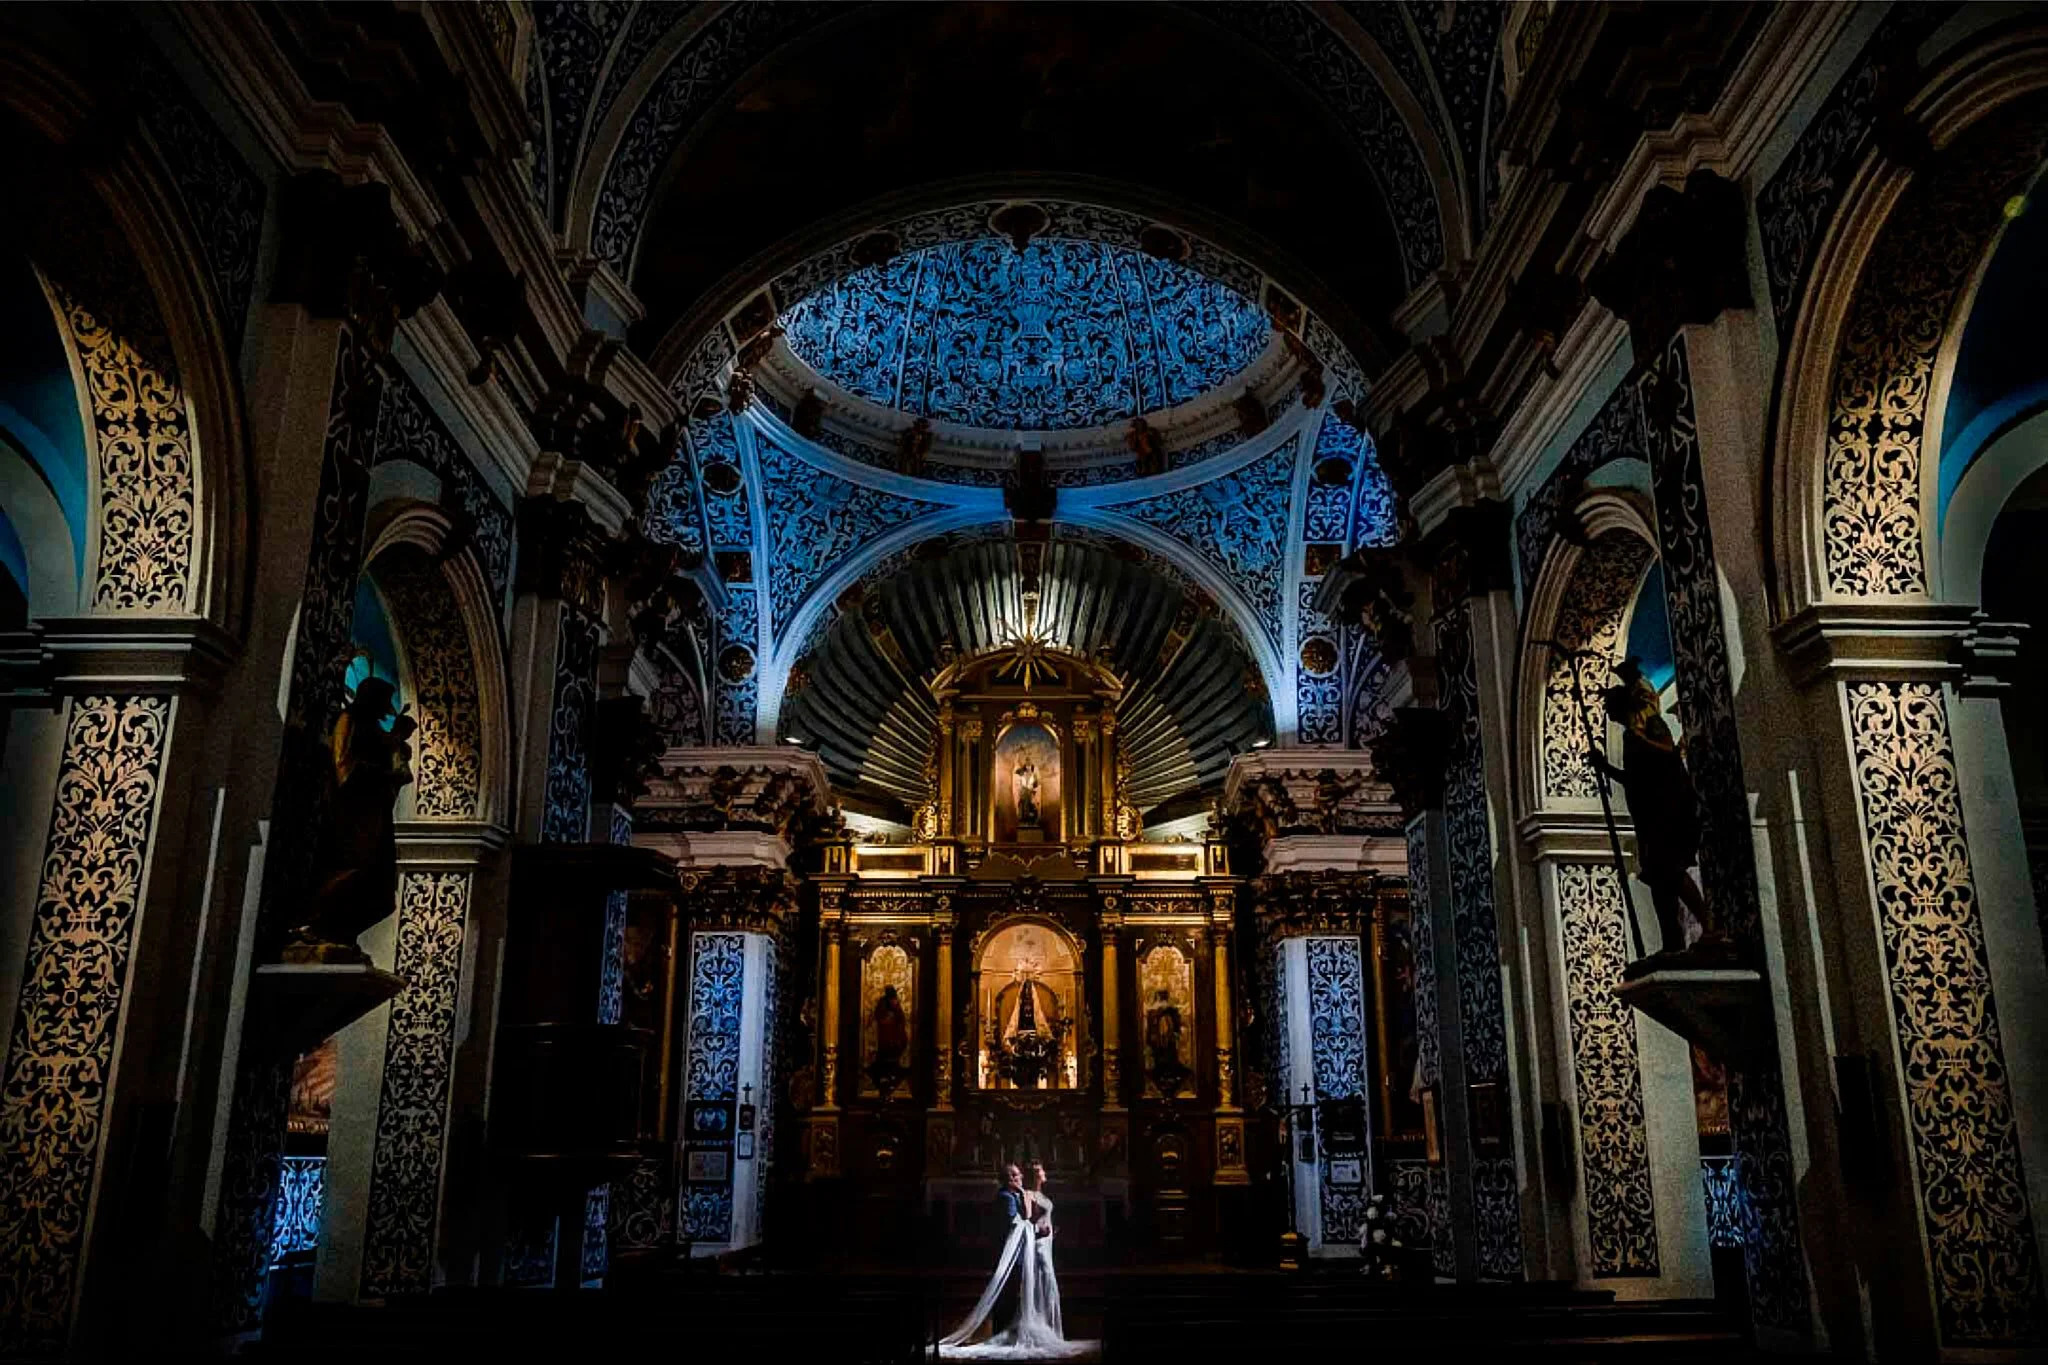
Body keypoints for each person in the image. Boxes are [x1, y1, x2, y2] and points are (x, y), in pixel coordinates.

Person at [1586, 662, 1730, 976]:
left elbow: (1666, 753)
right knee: (1658, 880)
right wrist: (1604, 767)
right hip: (1651, 816)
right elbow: (1635, 779)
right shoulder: (1630, 737)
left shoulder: (1648, 726)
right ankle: (1672, 943)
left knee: (1670, 870)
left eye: (1609, 705)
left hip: (1669, 810)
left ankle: (1710, 924)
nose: (1607, 711)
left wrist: (1640, 746)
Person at [938, 1163, 1094, 1360]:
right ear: (1008, 1178)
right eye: (1014, 1175)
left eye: (1019, 1174)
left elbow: (1028, 1220)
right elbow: (1018, 1223)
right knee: (1009, 1294)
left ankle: (1015, 1329)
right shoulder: (1006, 1197)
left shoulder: (1016, 1194)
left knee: (1015, 1293)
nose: (1018, 1177)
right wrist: (1038, 1229)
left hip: (1030, 1247)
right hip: (1011, 1252)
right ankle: (1005, 1331)